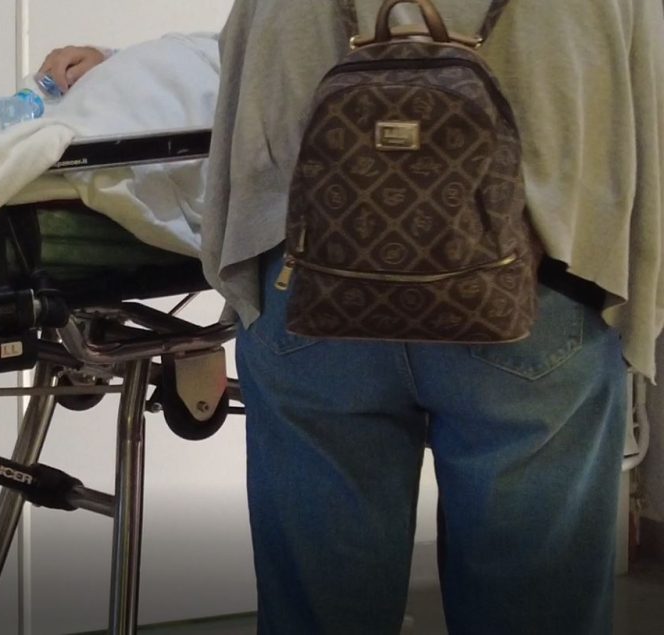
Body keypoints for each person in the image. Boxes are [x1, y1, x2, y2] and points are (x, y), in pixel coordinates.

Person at [45, 1, 664, 633]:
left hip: (310, 283)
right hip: (538, 284)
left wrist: (126, 73)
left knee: (318, 613)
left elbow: (250, 62)